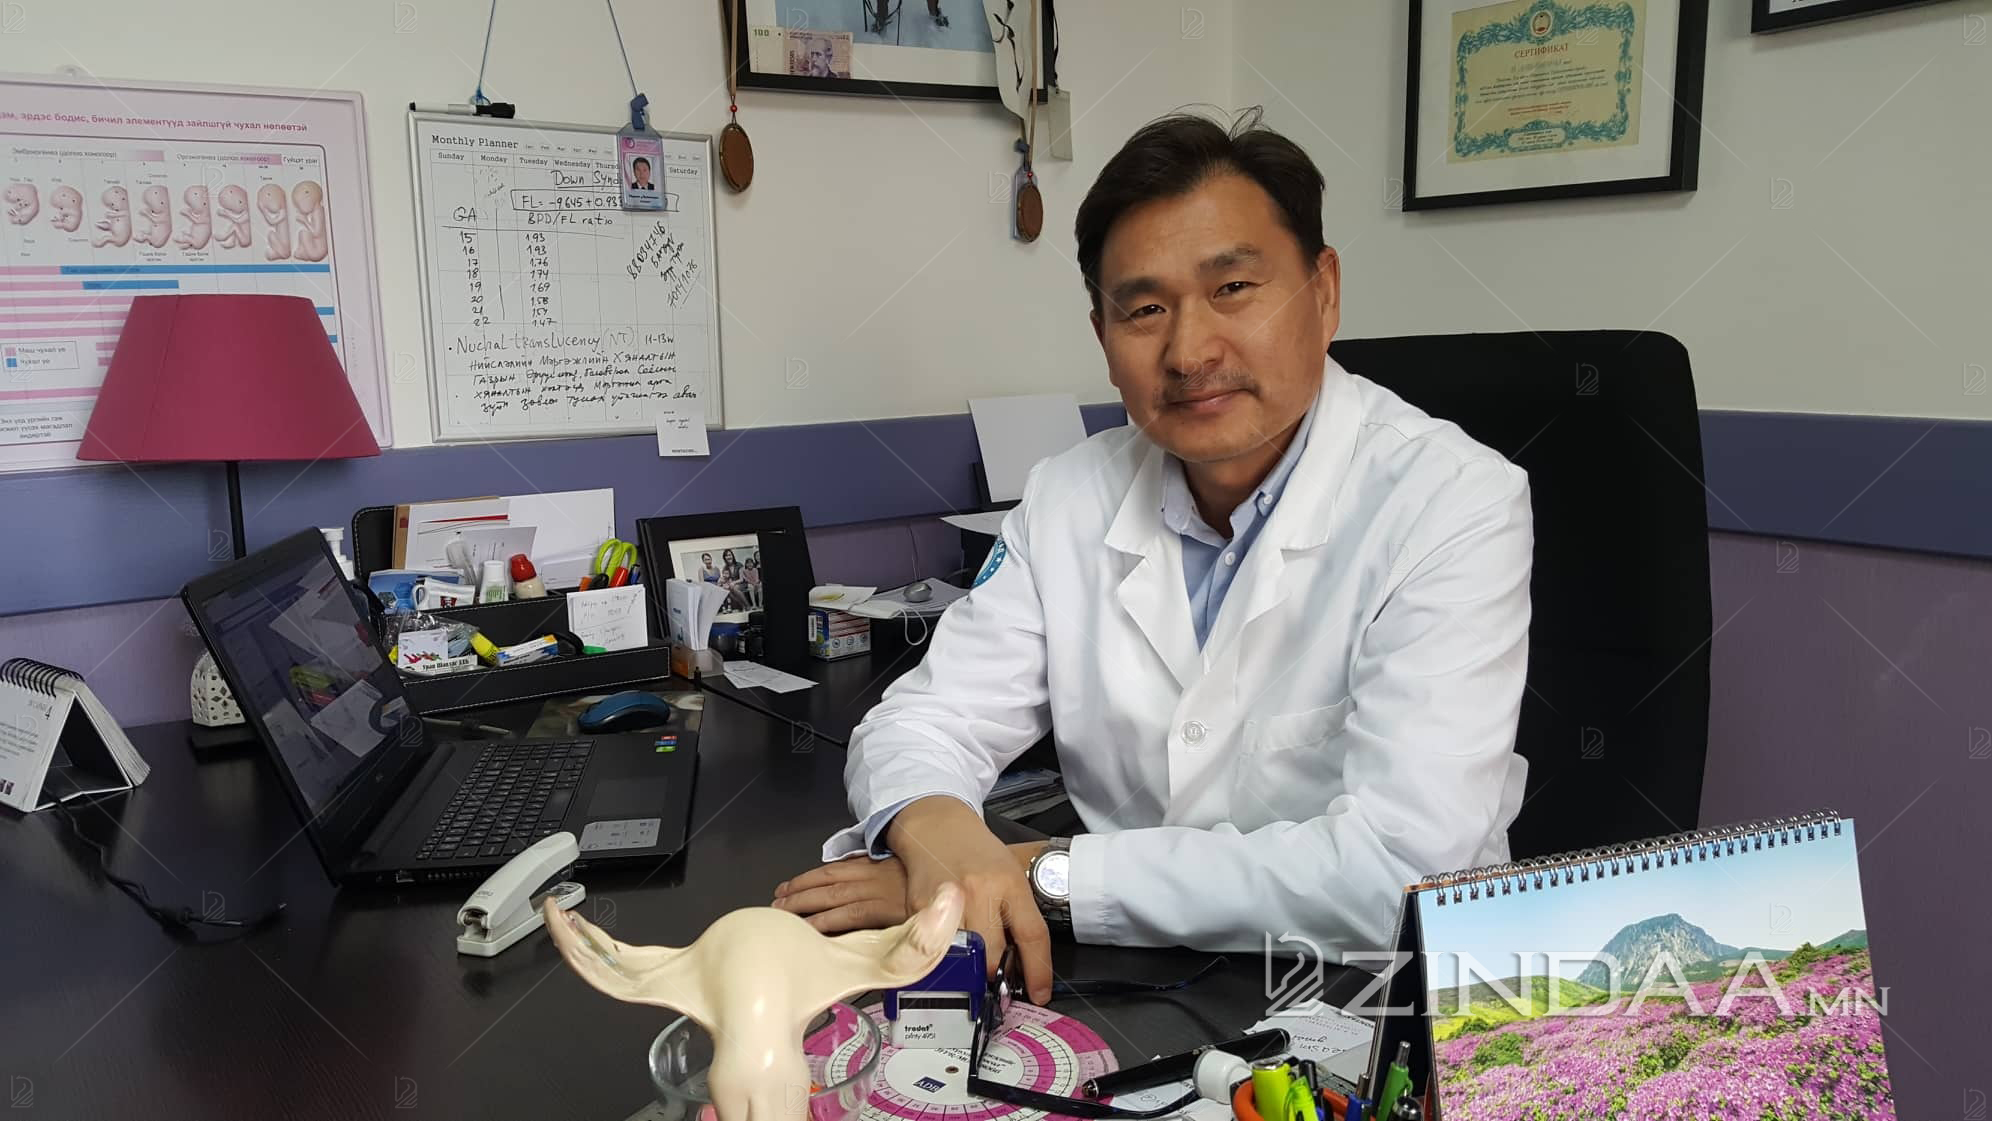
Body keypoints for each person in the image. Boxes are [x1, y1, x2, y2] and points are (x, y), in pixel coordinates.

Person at [772, 109, 1533, 1003]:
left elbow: (1399, 869)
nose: (1190, 350)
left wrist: (1040, 874)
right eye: (1144, 309)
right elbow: (924, 720)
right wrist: (940, 840)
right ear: (1103, 338)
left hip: (1385, 995)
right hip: (1136, 984)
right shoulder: (1067, 496)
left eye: (1234, 287)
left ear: (1324, 292)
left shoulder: (1453, 500)